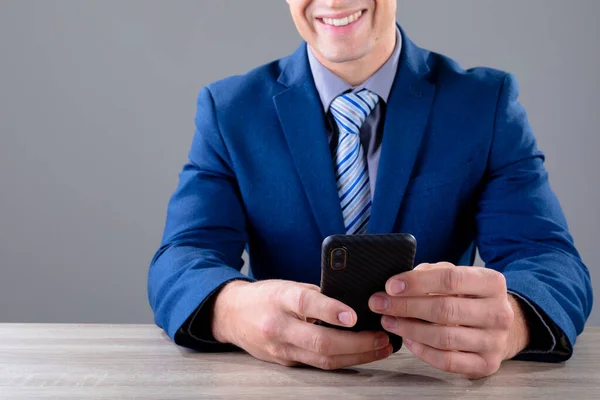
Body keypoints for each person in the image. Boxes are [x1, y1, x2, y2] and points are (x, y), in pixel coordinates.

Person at [148, 0, 593, 379]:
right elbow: (182, 256)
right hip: (283, 384)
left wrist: (513, 321)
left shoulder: (483, 103)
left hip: (432, 381)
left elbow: (548, 258)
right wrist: (230, 310)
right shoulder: (230, 111)